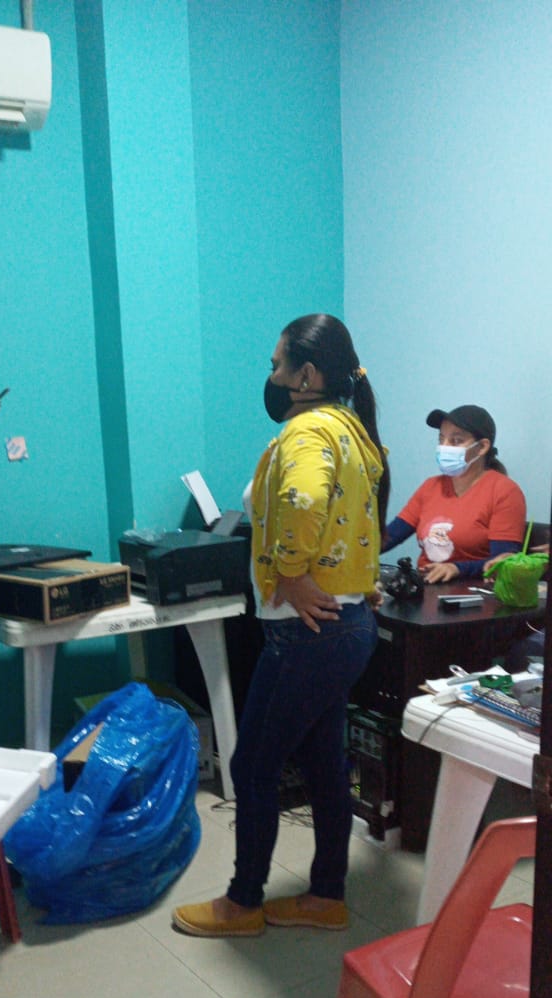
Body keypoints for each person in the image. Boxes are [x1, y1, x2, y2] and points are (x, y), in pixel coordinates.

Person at [173, 313, 390, 937]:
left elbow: (305, 500)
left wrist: (290, 573)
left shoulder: (307, 430)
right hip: (344, 625)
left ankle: (242, 903)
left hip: (307, 632)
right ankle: (326, 896)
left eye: (276, 364)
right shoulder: (351, 429)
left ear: (306, 375)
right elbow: (360, 514)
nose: (270, 375)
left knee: (252, 767)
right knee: (324, 764)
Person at [384, 405, 525, 583]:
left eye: (456, 441)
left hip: (471, 591)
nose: (444, 447)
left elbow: (502, 562)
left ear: (482, 447)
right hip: (427, 585)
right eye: (441, 439)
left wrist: (458, 568)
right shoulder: (430, 487)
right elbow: (390, 537)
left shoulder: (504, 491)